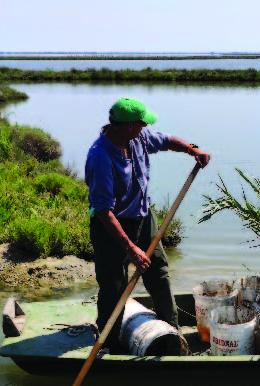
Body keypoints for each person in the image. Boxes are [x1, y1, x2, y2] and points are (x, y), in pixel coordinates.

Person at [85, 97, 211, 353]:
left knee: (159, 273)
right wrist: (130, 249)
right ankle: (109, 346)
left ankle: (173, 336)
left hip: (143, 218)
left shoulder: (138, 138)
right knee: (114, 287)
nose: (145, 129)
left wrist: (192, 149)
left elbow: (165, 141)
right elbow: (103, 211)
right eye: (141, 125)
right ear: (129, 125)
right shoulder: (100, 156)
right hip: (112, 228)